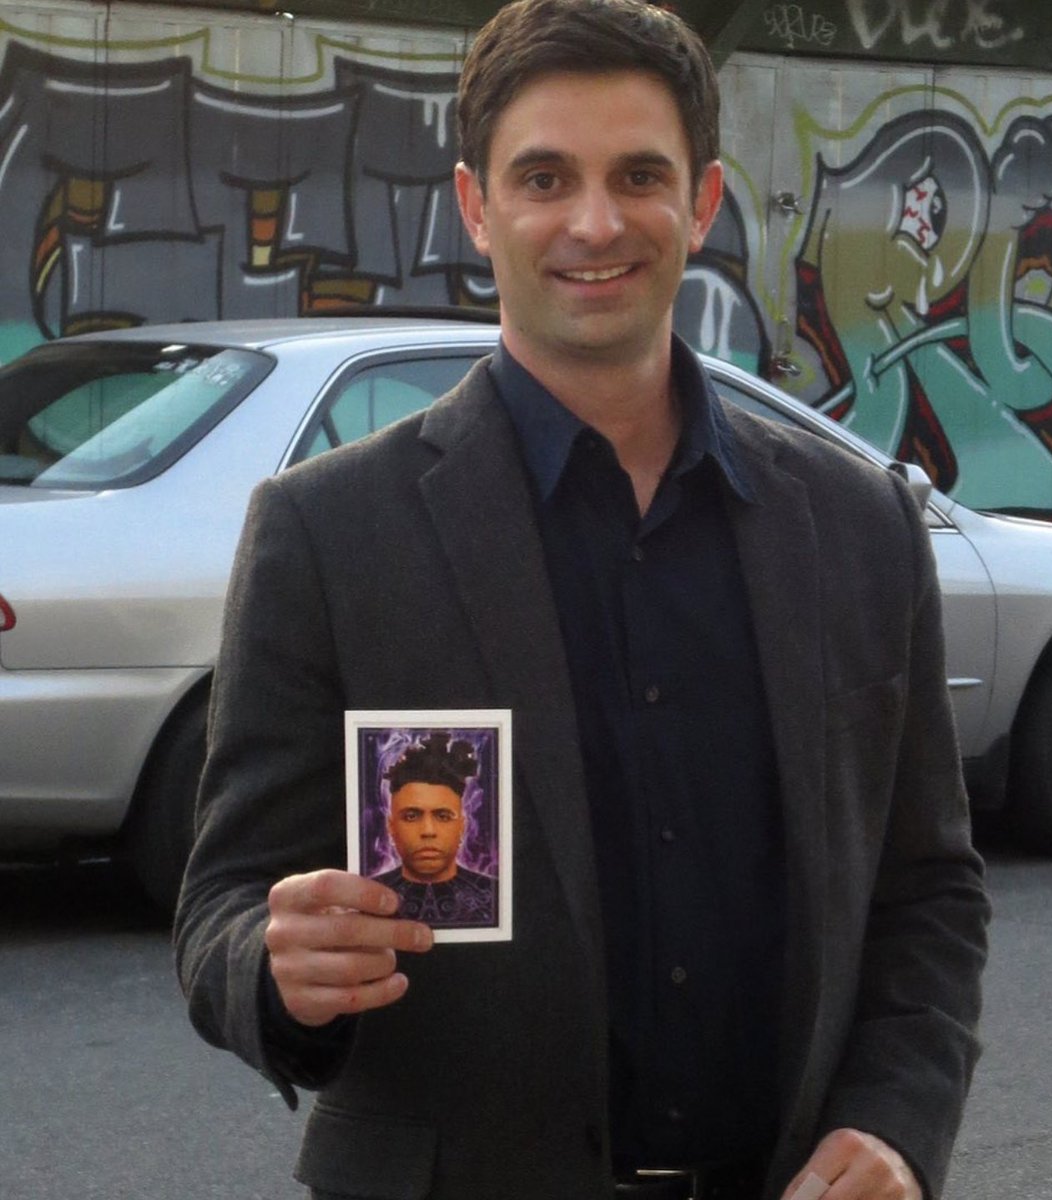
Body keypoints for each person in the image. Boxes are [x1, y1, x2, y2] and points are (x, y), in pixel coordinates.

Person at [174, 2, 990, 1198]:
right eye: (545, 177)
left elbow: (928, 887)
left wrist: (898, 1121)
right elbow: (221, 910)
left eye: (639, 176)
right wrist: (275, 963)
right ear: (475, 206)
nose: (594, 223)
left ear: (702, 203)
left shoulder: (857, 522)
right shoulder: (329, 532)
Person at [374, 732, 496, 925]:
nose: (428, 831)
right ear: (391, 827)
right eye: (411, 816)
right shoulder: (368, 895)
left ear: (462, 827)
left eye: (443, 816)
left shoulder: (496, 895)